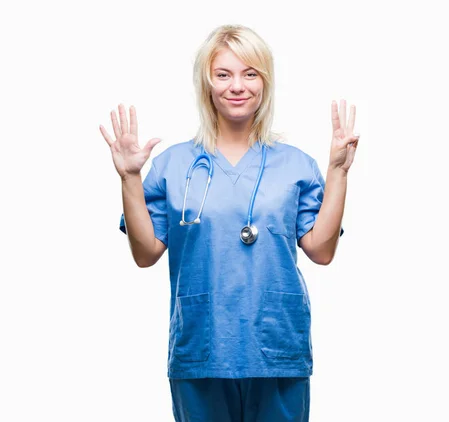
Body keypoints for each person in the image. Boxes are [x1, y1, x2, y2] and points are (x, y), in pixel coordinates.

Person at [99, 24, 360, 422]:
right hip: (203, 346)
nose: (237, 86)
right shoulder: (173, 165)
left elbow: (322, 251)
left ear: (265, 83)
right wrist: (129, 178)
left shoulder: (296, 165)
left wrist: (338, 171)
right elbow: (145, 253)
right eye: (223, 74)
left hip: (276, 348)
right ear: (207, 84)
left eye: (250, 73)